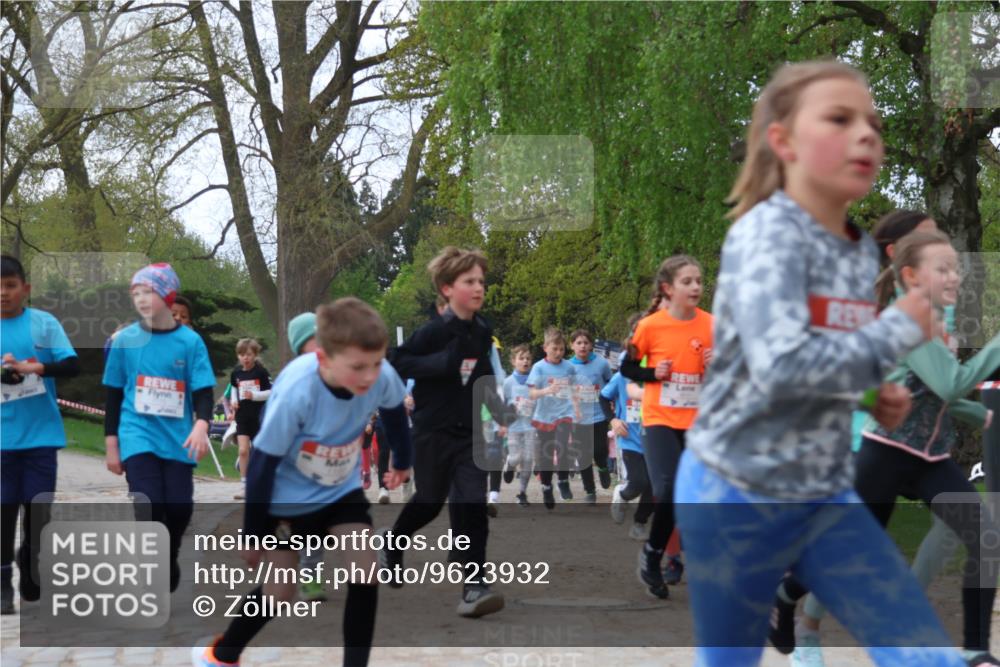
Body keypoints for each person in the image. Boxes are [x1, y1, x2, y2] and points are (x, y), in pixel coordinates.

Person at [673, 60, 963, 666]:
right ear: (783, 142)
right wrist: (892, 331)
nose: (867, 135)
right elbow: (781, 367)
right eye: (839, 118)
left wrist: (865, 394)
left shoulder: (856, 254)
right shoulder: (766, 235)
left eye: (874, 124)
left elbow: (820, 361)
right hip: (733, 494)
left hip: (821, 498)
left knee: (922, 653)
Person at [771, 231, 1000, 667]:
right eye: (943, 268)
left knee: (985, 539)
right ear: (912, 276)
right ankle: (784, 596)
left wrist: (974, 415)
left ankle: (975, 650)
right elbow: (950, 381)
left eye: (957, 267)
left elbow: (938, 392)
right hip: (886, 453)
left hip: (931, 458)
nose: (955, 275)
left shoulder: (942, 321)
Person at [192, 298, 412, 667]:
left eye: (376, 364)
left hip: (340, 488)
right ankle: (222, 653)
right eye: (357, 367)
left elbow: (392, 410)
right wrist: (252, 533)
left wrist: (403, 461)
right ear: (324, 359)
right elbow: (261, 464)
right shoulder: (297, 391)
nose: (369, 377)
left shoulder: (378, 372)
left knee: (365, 570)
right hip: (286, 497)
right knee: (280, 591)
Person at [379, 246, 510, 618]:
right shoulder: (434, 331)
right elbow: (398, 360)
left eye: (481, 281)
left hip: (469, 432)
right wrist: (441, 363)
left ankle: (474, 585)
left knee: (472, 504)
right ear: (447, 288)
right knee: (431, 499)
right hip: (431, 430)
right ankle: (393, 539)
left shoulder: (483, 329)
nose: (479, 287)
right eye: (470, 281)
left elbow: (481, 370)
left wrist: (498, 411)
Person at [103, 263, 216, 593]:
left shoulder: (190, 342)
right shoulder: (125, 341)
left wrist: (201, 424)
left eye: (148, 292)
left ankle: (169, 554)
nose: (140, 299)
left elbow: (204, 392)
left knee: (179, 509)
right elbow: (112, 395)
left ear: (167, 295)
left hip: (178, 439)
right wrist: (112, 444)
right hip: (136, 434)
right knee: (148, 504)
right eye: (135, 293)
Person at [619, 255, 712, 599]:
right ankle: (653, 556)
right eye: (687, 281)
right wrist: (652, 373)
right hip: (659, 419)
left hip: (697, 423)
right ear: (667, 289)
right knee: (670, 486)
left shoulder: (711, 325)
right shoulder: (650, 326)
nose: (696, 287)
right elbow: (626, 368)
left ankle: (672, 555)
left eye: (699, 281)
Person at [0, 255, 80, 615]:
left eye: (10, 285)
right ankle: (3, 585)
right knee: (3, 513)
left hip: (41, 437)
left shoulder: (44, 324)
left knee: (38, 509)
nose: (3, 293)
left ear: (25, 289)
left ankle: (30, 558)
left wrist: (37, 367)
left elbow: (72, 365)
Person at [527, 327, 582, 509]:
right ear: (545, 348)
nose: (559, 353)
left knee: (563, 445)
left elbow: (574, 389)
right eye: (554, 349)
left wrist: (577, 407)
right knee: (547, 456)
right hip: (543, 416)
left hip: (564, 413)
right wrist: (547, 391)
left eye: (561, 349)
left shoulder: (569, 367)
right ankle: (546, 486)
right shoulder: (538, 367)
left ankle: (563, 480)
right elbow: (532, 393)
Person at [568, 329, 613, 504]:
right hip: (577, 417)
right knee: (583, 455)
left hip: (599, 415)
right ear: (572, 345)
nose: (582, 346)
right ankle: (590, 491)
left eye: (586, 342)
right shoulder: (567, 367)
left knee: (599, 450)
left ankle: (603, 467)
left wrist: (611, 401)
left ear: (591, 345)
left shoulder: (602, 363)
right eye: (578, 343)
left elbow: (610, 383)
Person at [229, 338, 271, 500]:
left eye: (248, 354)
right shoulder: (236, 373)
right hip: (242, 417)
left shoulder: (261, 372)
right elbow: (234, 387)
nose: (244, 358)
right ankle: (245, 486)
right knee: (243, 450)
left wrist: (254, 395)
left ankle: (262, 483)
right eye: (241, 354)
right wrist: (233, 400)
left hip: (259, 418)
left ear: (255, 355)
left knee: (259, 452)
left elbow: (270, 393)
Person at [502, 344, 538, 507]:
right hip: (514, 427)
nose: (525, 361)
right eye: (521, 358)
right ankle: (509, 464)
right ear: (513, 361)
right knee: (517, 457)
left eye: (528, 358)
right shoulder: (508, 382)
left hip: (531, 427)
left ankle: (522, 493)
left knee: (529, 459)